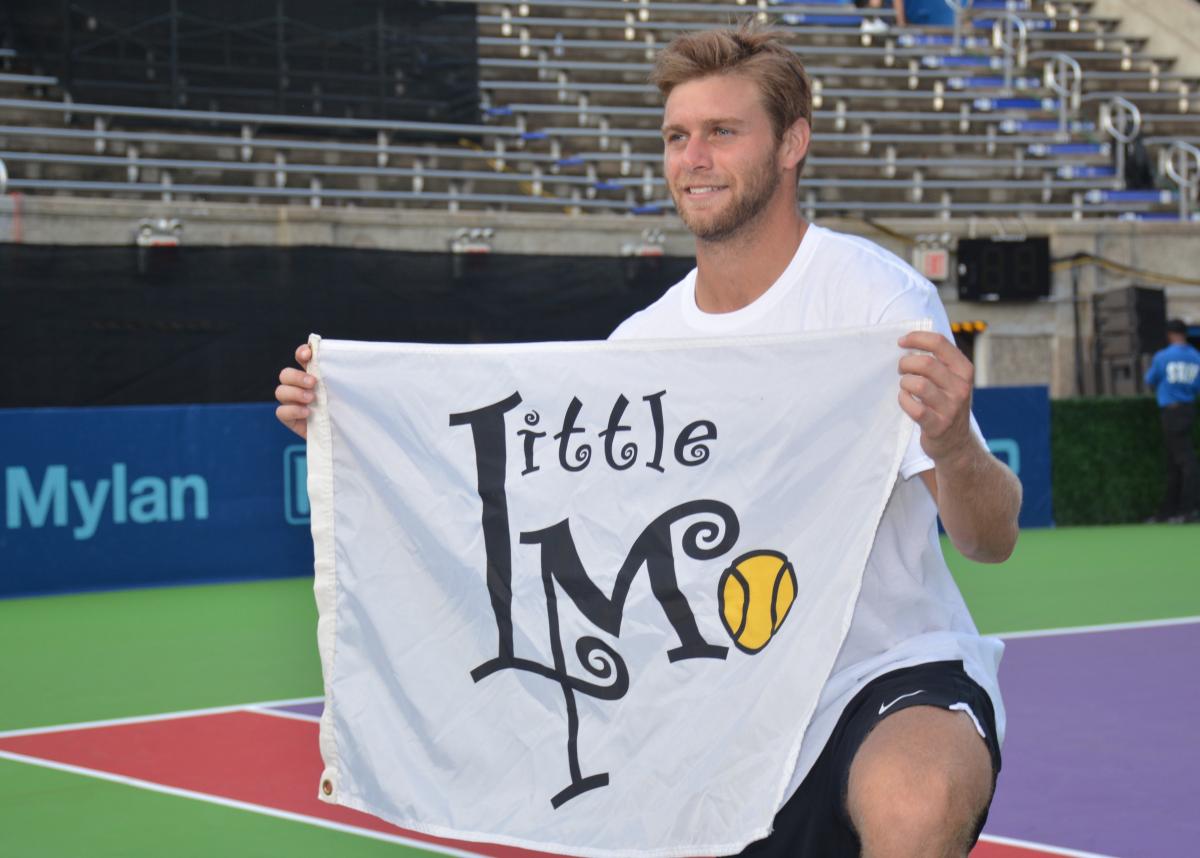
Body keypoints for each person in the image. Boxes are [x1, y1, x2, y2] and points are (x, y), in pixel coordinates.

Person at [275, 25, 1022, 858]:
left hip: (883, 671)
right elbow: (534, 530)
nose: (693, 158)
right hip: (715, 708)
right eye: (677, 136)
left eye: (722, 132)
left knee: (916, 802)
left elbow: (989, 540)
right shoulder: (640, 348)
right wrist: (352, 430)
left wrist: (954, 445)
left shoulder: (877, 304)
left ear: (792, 145)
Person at [1144, 319, 1200, 523]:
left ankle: (1187, 510)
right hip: (1188, 409)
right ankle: (1169, 512)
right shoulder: (1196, 357)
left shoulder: (1163, 356)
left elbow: (1150, 380)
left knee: (1186, 462)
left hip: (1171, 412)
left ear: (1170, 334)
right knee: (1174, 462)